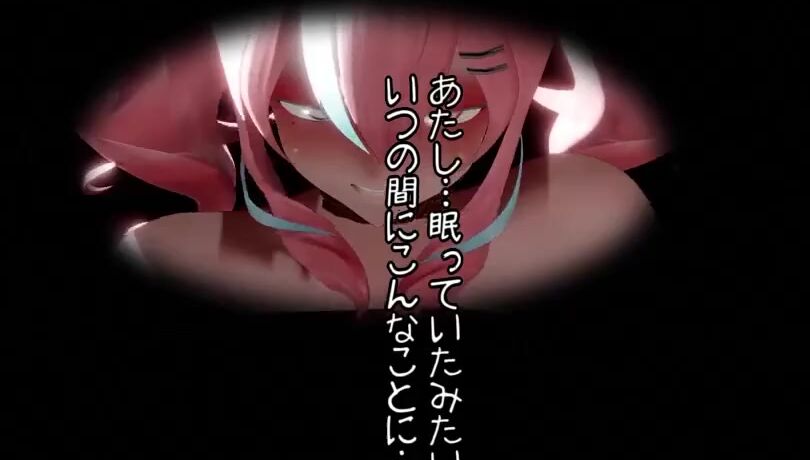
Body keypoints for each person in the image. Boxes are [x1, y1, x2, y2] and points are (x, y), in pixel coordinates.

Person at [80, 10, 664, 311]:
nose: (389, 166)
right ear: (253, 107)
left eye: (453, 113)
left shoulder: (593, 206)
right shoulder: (174, 252)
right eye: (315, 116)